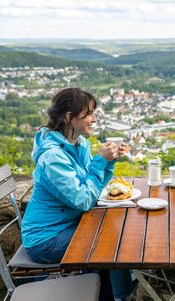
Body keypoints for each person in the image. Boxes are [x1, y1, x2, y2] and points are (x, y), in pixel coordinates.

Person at [21, 87, 135, 301]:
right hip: (46, 238)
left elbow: (91, 191)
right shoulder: (52, 157)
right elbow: (82, 200)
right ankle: (123, 296)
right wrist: (100, 161)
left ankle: (114, 294)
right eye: (88, 114)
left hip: (68, 224)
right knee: (111, 242)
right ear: (68, 117)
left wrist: (108, 163)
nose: (93, 119)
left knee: (112, 235)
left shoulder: (78, 143)